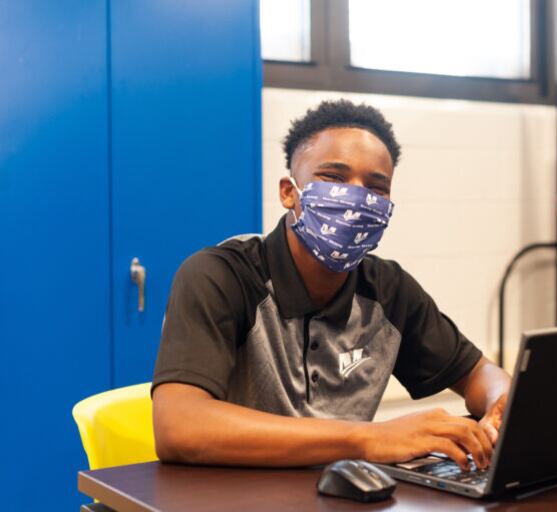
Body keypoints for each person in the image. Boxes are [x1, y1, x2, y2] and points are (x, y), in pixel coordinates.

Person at [151, 99, 511, 471]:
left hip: (342, 496)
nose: (357, 198)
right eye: (334, 178)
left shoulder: (389, 290)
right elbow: (179, 427)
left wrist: (501, 401)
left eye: (376, 186)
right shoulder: (220, 276)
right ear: (289, 192)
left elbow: (479, 374)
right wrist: (371, 439)